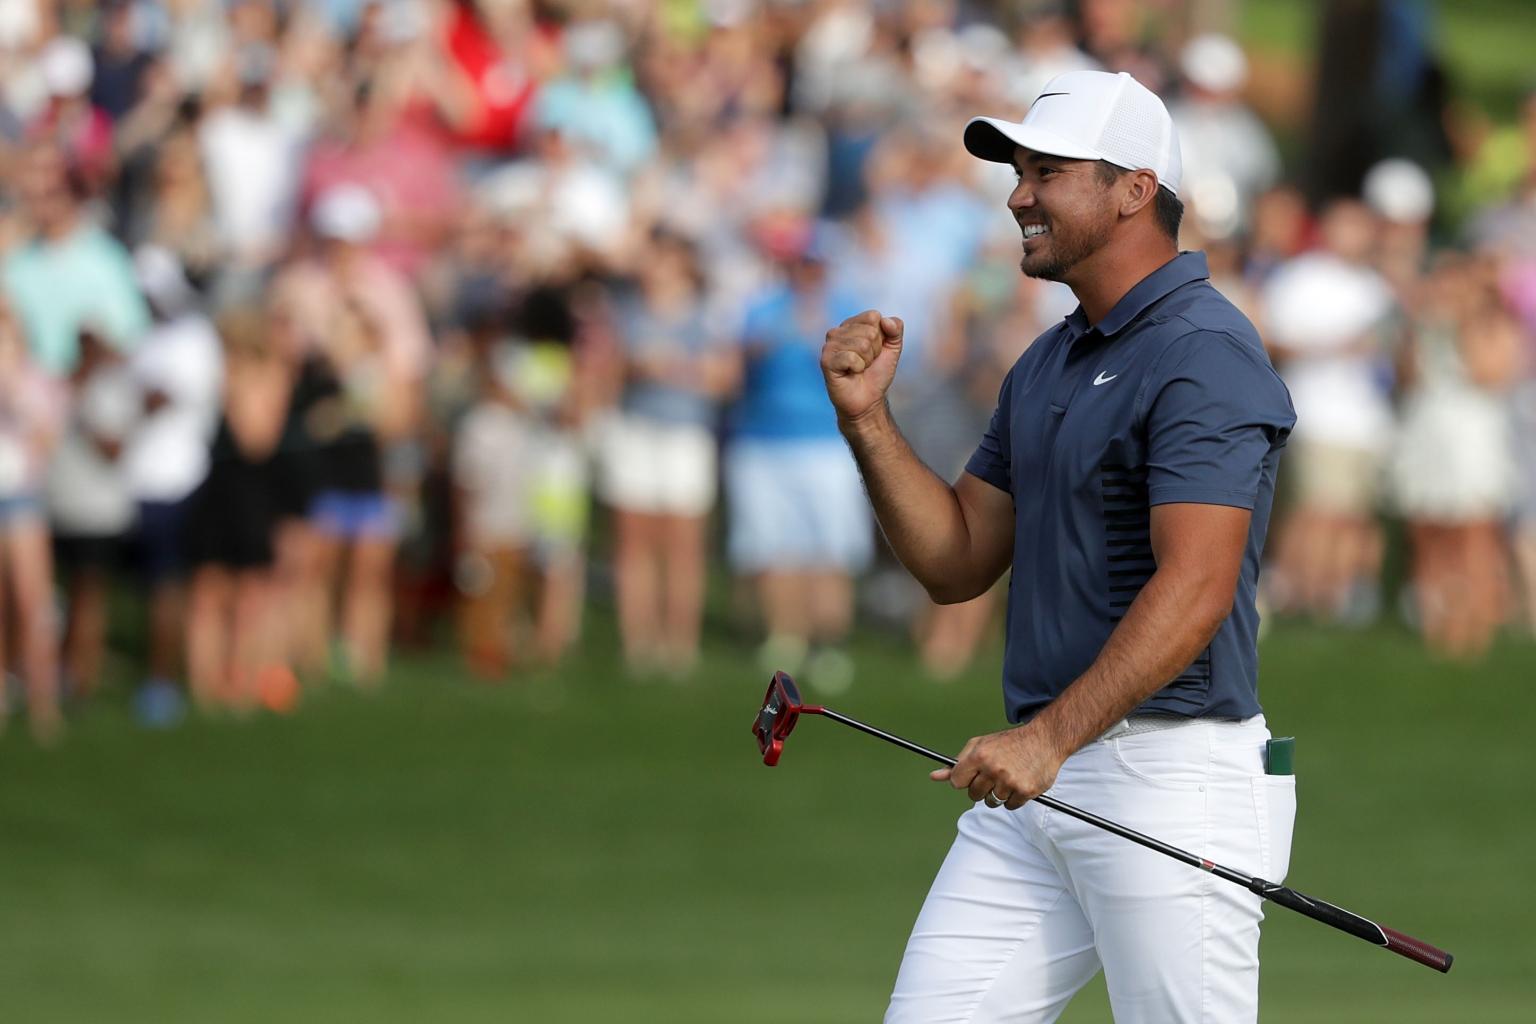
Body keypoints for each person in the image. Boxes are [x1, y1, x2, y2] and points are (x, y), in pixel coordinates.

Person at [821, 71, 1296, 1022]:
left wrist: (1045, 740)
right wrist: (869, 424)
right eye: (1019, 170)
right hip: (1040, 785)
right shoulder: (1051, 357)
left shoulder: (1204, 350)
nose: (1019, 193)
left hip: (1171, 780)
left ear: (1133, 188)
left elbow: (1198, 586)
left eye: (1049, 171)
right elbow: (957, 561)